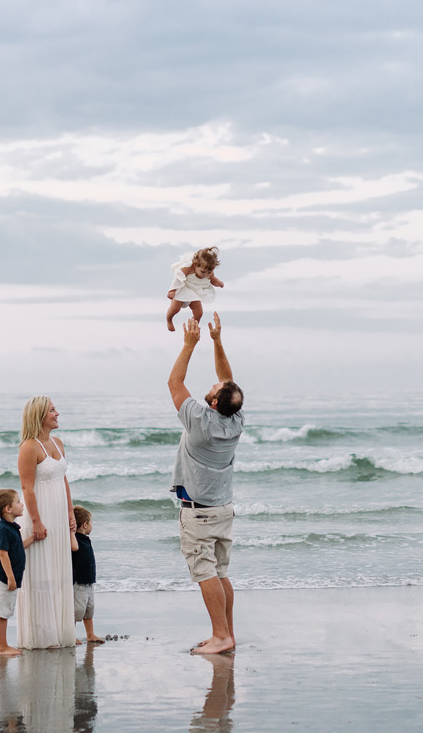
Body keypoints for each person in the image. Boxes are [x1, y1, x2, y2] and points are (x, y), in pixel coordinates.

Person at [167, 312, 244, 655]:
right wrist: (216, 340)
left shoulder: (199, 420)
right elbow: (227, 380)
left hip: (199, 513)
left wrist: (189, 345)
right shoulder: (234, 419)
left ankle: (221, 636)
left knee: (205, 574)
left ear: (213, 403)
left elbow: (174, 384)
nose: (214, 384)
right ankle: (226, 633)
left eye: (214, 389)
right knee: (221, 572)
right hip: (223, 509)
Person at [15, 395, 77, 649]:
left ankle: (62, 631)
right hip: (39, 514)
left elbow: (63, 479)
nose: (57, 413)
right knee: (40, 572)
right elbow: (27, 488)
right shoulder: (28, 447)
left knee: (59, 570)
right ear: (40, 415)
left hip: (59, 514)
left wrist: (70, 513)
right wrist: (37, 522)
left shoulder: (58, 443)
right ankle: (43, 636)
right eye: (52, 410)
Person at [0, 488, 30, 657]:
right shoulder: (4, 529)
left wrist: (33, 539)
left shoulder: (12, 527)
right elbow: (2, 553)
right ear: (8, 509)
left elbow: (18, 547)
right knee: (2, 613)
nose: (22, 505)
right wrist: (10, 577)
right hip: (3, 578)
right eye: (18, 502)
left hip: (8, 578)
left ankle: (3, 645)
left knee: (5, 611)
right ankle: (1, 646)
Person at [167, 247, 225, 331]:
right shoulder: (188, 268)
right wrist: (172, 290)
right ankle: (169, 320)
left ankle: (192, 328)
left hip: (194, 293)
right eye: (202, 272)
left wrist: (218, 283)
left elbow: (213, 280)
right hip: (182, 290)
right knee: (175, 309)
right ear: (195, 264)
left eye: (209, 272)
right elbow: (178, 278)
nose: (205, 275)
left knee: (199, 313)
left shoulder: (209, 273)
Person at [70, 506, 102, 645]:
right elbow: (73, 548)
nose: (91, 526)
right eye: (91, 523)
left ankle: (90, 634)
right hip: (78, 582)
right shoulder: (75, 539)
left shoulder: (86, 539)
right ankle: (71, 635)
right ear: (84, 524)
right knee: (76, 611)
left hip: (89, 581)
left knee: (89, 610)